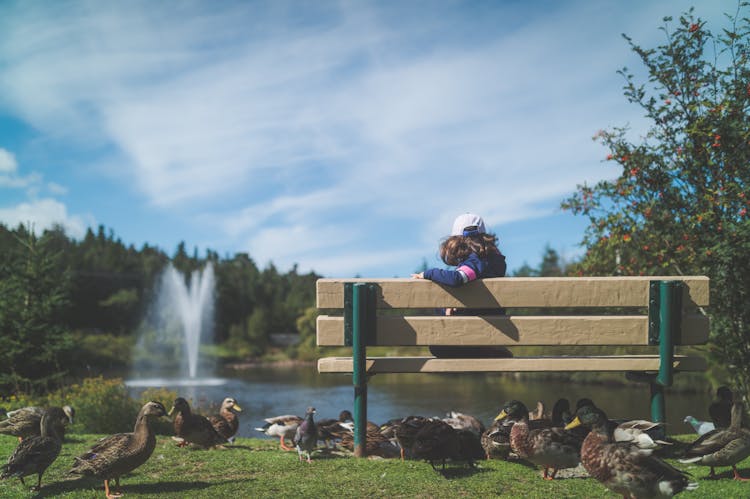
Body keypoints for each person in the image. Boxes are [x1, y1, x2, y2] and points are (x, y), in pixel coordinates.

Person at [412, 213, 512, 358]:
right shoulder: (496, 260)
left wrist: (428, 273)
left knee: (436, 347)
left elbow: (459, 278)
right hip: (494, 323)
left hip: (474, 324)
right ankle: (487, 348)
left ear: (456, 241)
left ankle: (485, 350)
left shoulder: (475, 261)